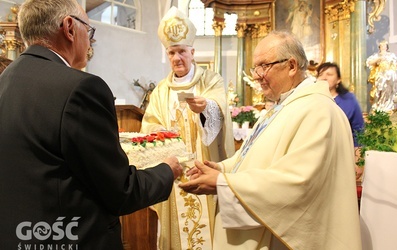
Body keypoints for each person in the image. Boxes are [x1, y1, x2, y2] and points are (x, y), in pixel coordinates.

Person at [0, 1, 182, 249]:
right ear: (69, 28)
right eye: (90, 30)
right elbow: (121, 191)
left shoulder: (5, 79)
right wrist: (167, 171)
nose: (91, 41)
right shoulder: (80, 88)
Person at [180, 31, 362, 249]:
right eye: (255, 68)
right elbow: (252, 155)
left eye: (264, 66)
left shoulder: (318, 110)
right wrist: (221, 167)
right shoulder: (281, 106)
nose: (256, 75)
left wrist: (222, 182)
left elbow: (297, 183)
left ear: (292, 66)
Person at [140, 6, 235, 250]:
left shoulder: (210, 79)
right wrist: (161, 134)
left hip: (203, 169)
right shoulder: (161, 90)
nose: (177, 58)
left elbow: (220, 111)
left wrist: (207, 108)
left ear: (192, 52)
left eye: (181, 51)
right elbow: (150, 125)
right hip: (174, 173)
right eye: (172, 52)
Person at [316, 62, 365, 180]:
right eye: (321, 74)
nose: (324, 77)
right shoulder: (312, 99)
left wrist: (359, 160)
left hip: (342, 155)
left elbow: (358, 130)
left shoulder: (348, 100)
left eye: (329, 74)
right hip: (317, 156)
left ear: (338, 80)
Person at [366, 40, 397, 112]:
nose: (383, 47)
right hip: (381, 75)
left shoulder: (391, 55)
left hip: (389, 75)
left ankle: (388, 107)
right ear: (379, 47)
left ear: (387, 47)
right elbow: (369, 62)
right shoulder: (377, 55)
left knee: (389, 91)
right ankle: (380, 106)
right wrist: (378, 59)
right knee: (380, 90)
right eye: (381, 46)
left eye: (384, 45)